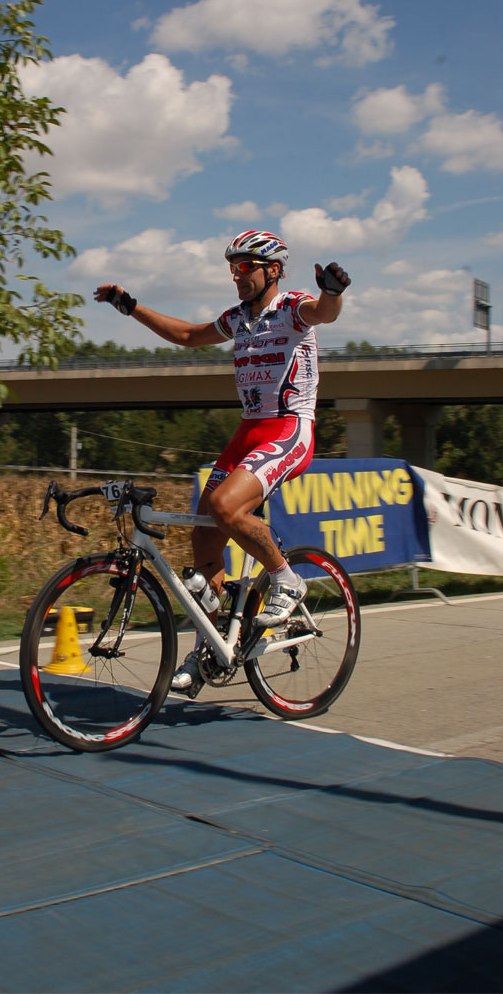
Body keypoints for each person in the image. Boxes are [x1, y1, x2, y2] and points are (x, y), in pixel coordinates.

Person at [95, 229, 351, 694]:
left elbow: (324, 313)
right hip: (248, 429)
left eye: (245, 267)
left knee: (226, 508)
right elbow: (188, 335)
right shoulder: (238, 319)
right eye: (232, 268)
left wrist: (331, 291)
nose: (237, 275)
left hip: (288, 427)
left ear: (272, 269)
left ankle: (286, 580)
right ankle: (211, 648)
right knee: (204, 536)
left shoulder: (293, 307)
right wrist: (130, 307)